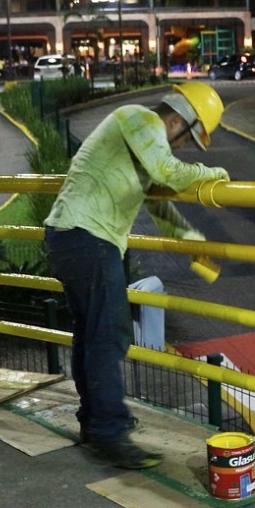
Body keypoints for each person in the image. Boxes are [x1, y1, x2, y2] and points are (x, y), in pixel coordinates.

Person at [44, 81, 229, 470]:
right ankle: (110, 432)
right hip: (89, 239)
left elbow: (161, 208)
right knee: (108, 336)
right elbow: (170, 171)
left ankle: (96, 425)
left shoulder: (141, 144)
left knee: (91, 335)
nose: (182, 147)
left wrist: (194, 243)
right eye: (187, 139)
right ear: (177, 120)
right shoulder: (140, 119)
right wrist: (212, 173)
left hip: (73, 238)